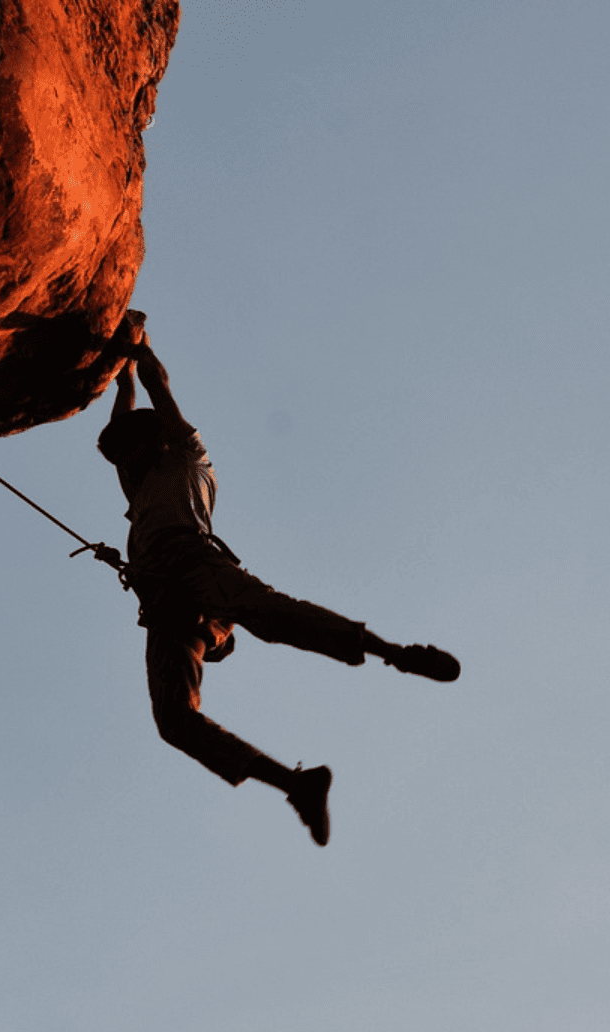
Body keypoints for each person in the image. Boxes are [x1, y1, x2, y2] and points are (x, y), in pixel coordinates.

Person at [99, 315, 459, 846]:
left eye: (131, 448)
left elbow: (158, 389)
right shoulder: (139, 481)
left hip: (196, 564)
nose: (124, 461)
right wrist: (121, 373)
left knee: (272, 616)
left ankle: (395, 653)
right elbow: (126, 413)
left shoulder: (188, 456)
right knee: (174, 720)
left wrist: (141, 350)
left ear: (155, 441)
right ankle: (296, 785)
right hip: (164, 597)